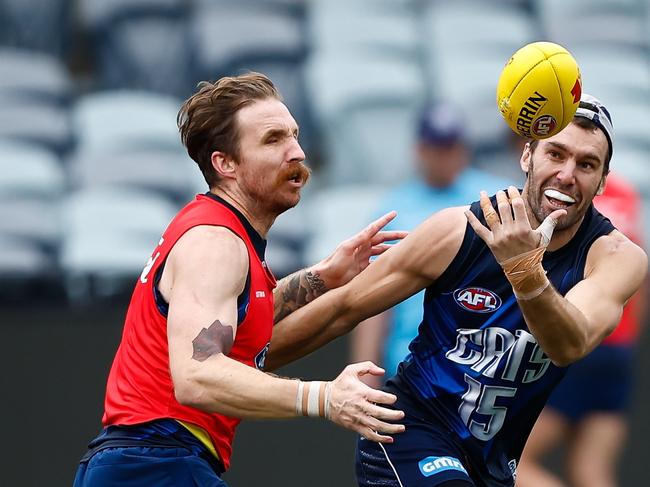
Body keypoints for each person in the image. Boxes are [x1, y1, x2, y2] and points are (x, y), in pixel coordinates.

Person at [266, 93, 647, 487]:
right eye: (555, 154)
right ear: (527, 156)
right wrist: (242, 368)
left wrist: (524, 271)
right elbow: (344, 308)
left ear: (603, 180)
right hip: (409, 432)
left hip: (493, 463)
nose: (567, 174)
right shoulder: (459, 229)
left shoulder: (617, 258)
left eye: (587, 164)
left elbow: (569, 344)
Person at [72, 72, 406, 487]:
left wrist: (323, 276)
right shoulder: (215, 243)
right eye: (273, 140)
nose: (297, 152)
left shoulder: (224, 236)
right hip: (155, 463)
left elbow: (243, 318)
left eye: (295, 136)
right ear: (224, 163)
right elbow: (197, 376)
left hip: (145, 462)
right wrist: (324, 397)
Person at [350, 101, 513, 386]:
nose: (444, 157)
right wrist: (364, 376)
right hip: (410, 365)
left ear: (463, 149)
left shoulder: (494, 198)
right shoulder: (393, 208)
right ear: (419, 149)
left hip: (481, 364)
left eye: (451, 147)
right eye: (436, 147)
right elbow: (373, 300)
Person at [517, 171, 646, 487]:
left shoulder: (563, 196)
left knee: (516, 462)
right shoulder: (626, 194)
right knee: (592, 470)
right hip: (619, 348)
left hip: (578, 342)